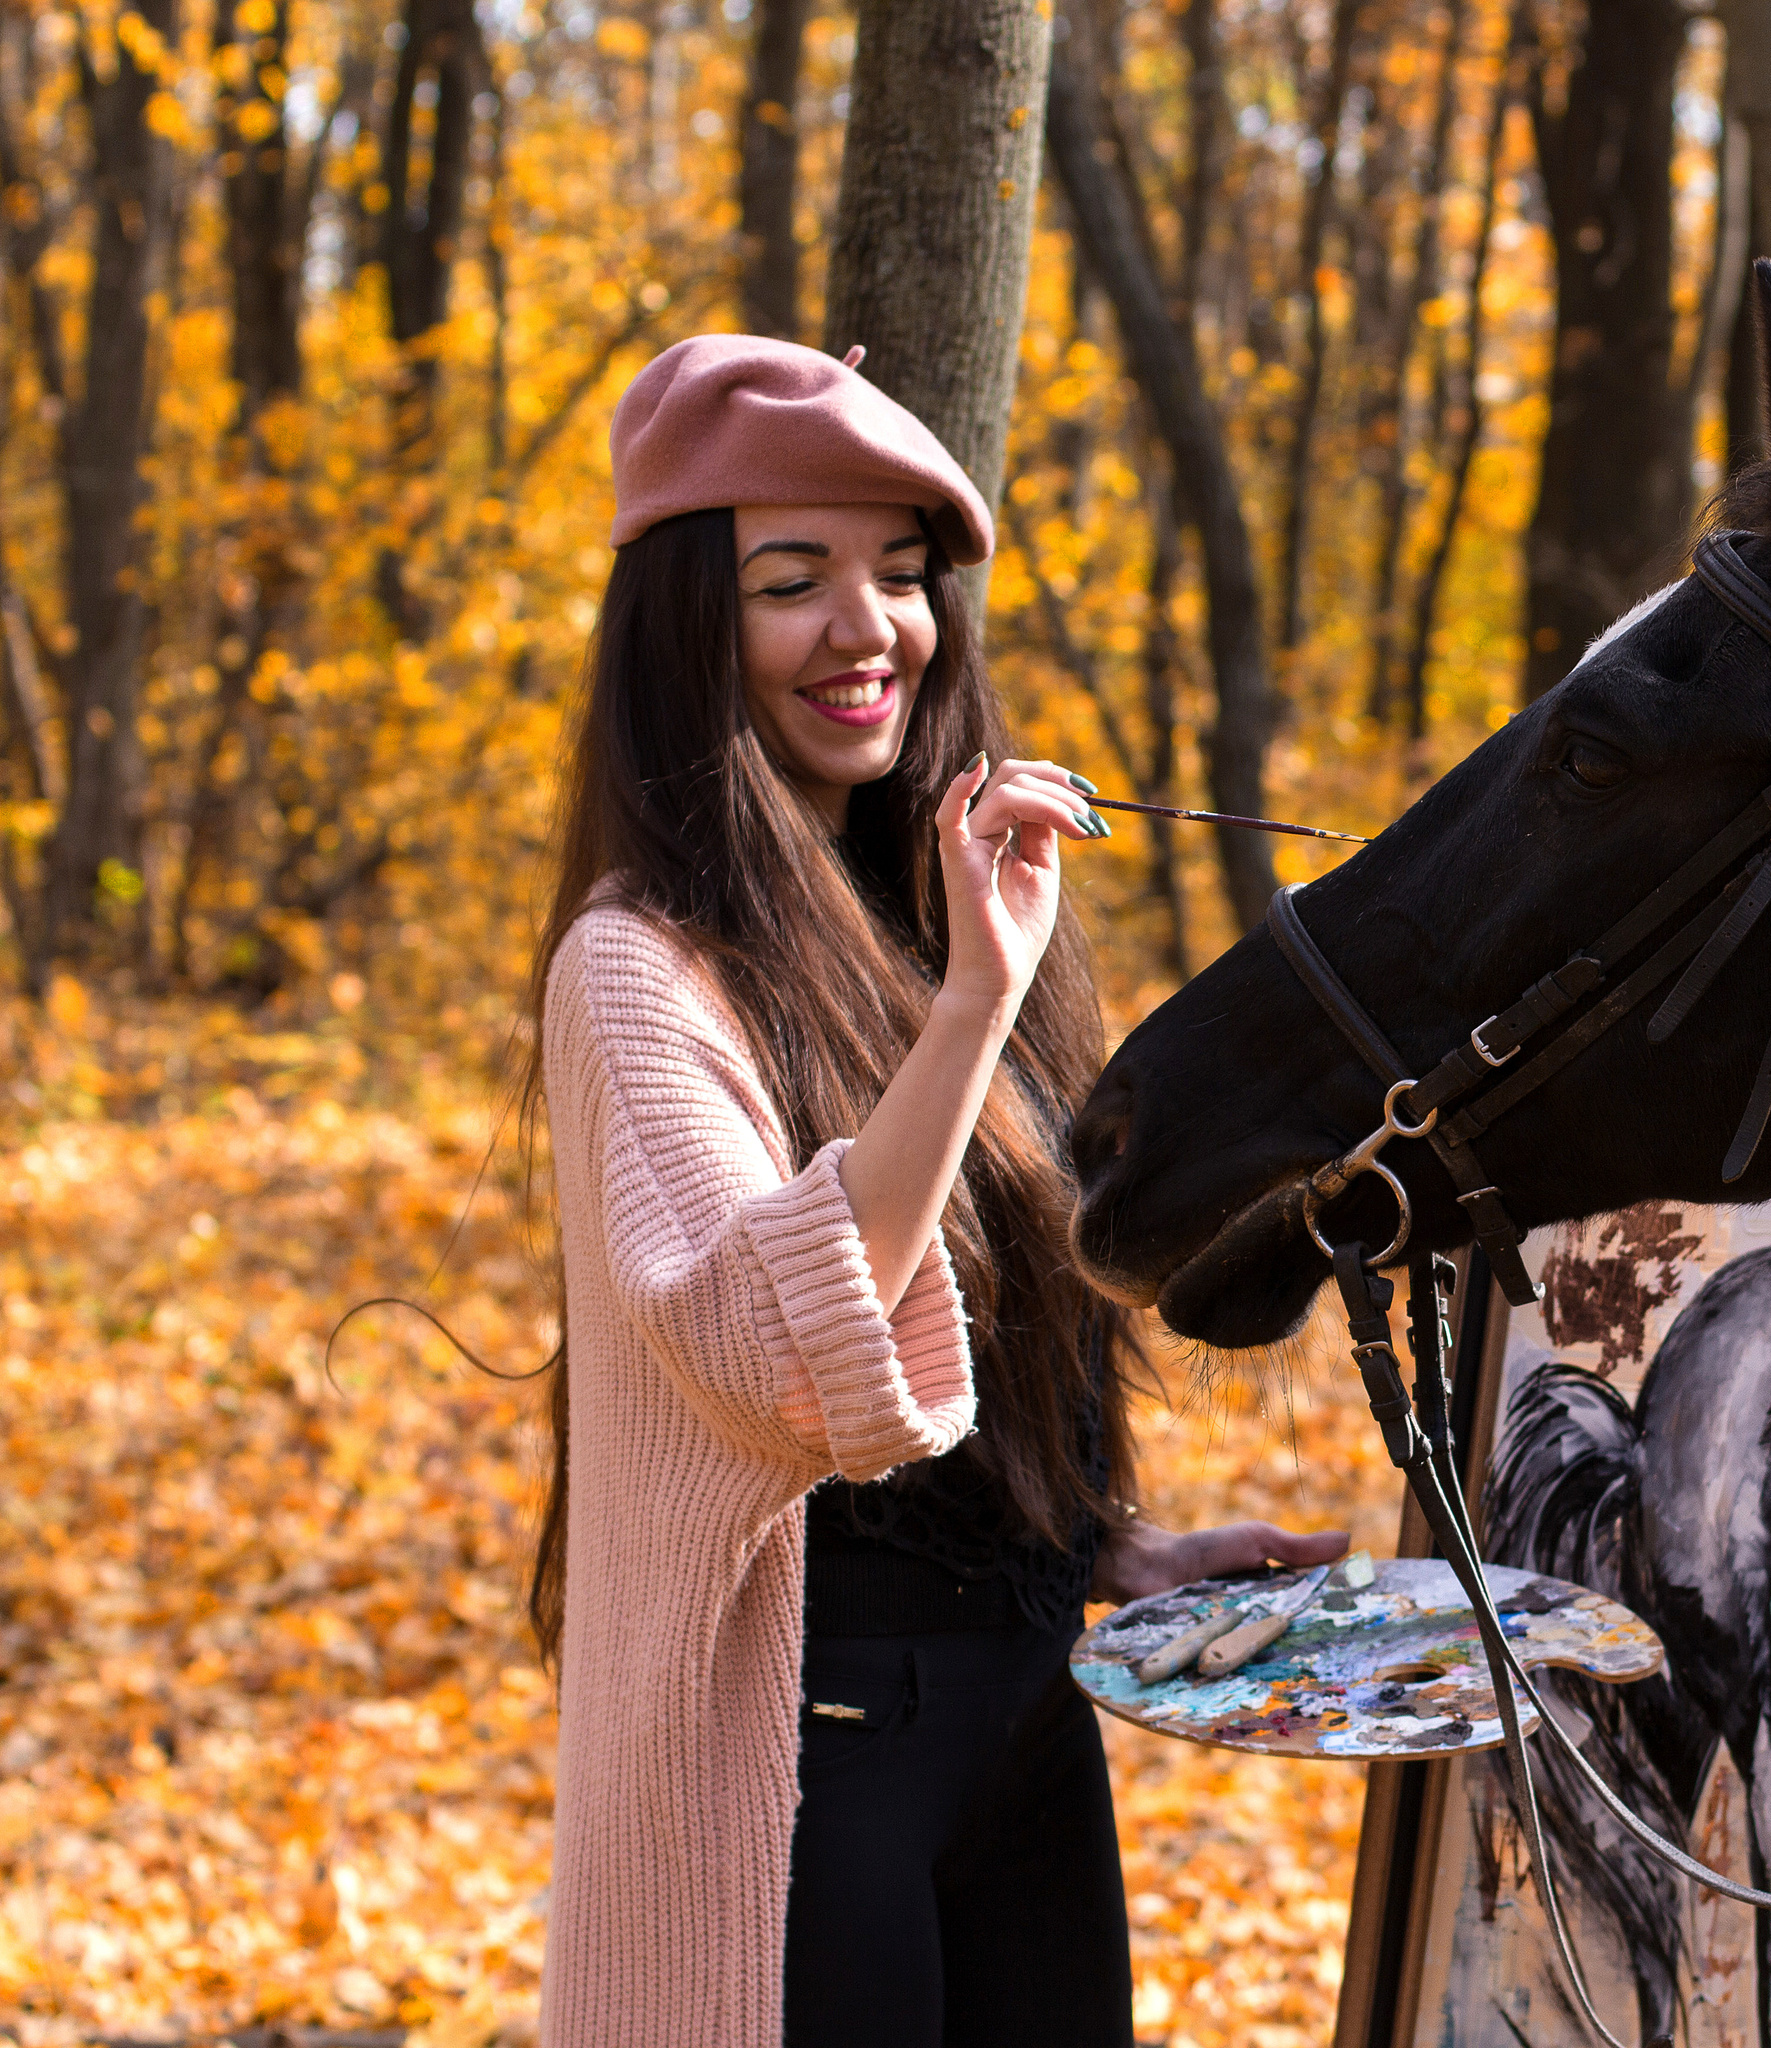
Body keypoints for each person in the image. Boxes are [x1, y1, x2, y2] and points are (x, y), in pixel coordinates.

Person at [527, 334, 1343, 2048]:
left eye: (900, 577)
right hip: (804, 1757)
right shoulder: (639, 967)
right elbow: (771, 1358)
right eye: (790, 581)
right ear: (688, 625)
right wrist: (976, 1002)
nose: (869, 628)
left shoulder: (929, 914)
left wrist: (1114, 1548)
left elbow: (978, 1333)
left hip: (1028, 1713)